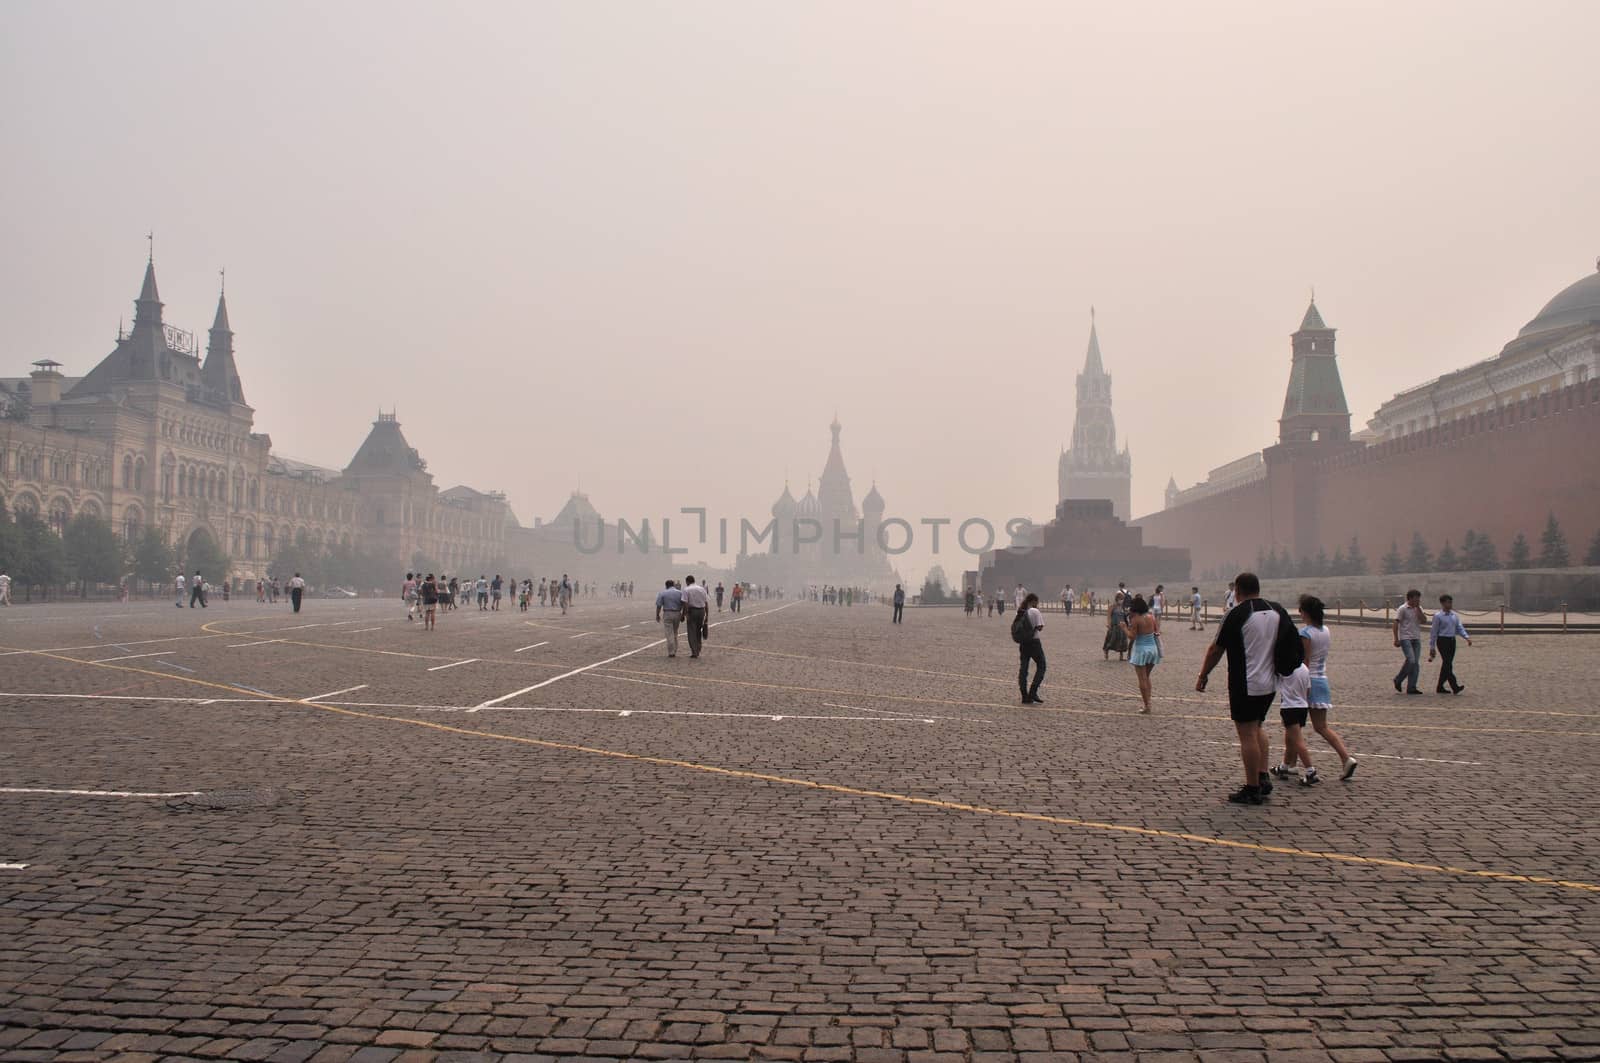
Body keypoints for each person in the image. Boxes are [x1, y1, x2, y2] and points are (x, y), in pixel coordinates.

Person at [1197, 571, 1298, 805]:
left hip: (1245, 681)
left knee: (1247, 734)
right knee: (1257, 726)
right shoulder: (1277, 610)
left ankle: (1252, 787)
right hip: (1271, 682)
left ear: (1238, 590)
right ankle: (1262, 776)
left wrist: (1203, 675)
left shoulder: (1237, 613)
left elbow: (1215, 649)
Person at [1287, 595, 1357, 780]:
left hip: (1309, 681)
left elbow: (1305, 660)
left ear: (1306, 612)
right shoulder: (1325, 630)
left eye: (1301, 610)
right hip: (1322, 679)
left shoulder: (1306, 633)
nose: (1300, 614)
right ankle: (1290, 764)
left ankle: (1343, 758)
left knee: (1295, 725)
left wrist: (1303, 684)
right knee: (1318, 727)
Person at [1123, 594, 1161, 714]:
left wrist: (1124, 628)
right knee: (1147, 677)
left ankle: (1147, 706)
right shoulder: (1151, 617)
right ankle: (1148, 701)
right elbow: (1156, 631)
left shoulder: (1136, 620)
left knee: (1142, 679)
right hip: (1153, 649)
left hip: (1141, 650)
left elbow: (1132, 637)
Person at [1429, 594, 1471, 694]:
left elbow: (1459, 628)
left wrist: (1466, 637)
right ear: (1443, 603)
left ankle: (1440, 687)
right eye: (1448, 602)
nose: (1450, 604)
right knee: (1447, 663)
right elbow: (1434, 632)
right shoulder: (1438, 616)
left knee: (1447, 665)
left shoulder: (1454, 615)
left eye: (1451, 602)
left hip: (1452, 640)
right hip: (1442, 641)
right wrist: (1432, 646)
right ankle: (1454, 686)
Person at [1392, 589, 1427, 695]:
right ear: (1410, 598)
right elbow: (1396, 623)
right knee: (1411, 660)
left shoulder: (1419, 608)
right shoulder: (1402, 609)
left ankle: (1411, 687)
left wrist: (1419, 611)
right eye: (1416, 598)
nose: (1418, 600)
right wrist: (1396, 638)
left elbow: (1424, 620)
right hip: (1405, 638)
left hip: (1416, 638)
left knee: (1415, 664)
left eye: (1419, 598)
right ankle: (1398, 679)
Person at [1014, 592, 1046, 704]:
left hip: (1023, 643)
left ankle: (1024, 695)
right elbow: (1040, 627)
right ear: (1033, 601)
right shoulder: (1034, 611)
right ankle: (1033, 691)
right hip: (1034, 642)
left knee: (1023, 669)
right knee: (1042, 665)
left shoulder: (1020, 612)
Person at [681, 575, 710, 658]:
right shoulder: (702, 589)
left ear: (687, 581)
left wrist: (684, 615)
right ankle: (698, 647)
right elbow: (706, 603)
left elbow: (685, 604)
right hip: (701, 611)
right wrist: (707, 615)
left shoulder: (686, 589)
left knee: (691, 632)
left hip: (692, 611)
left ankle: (694, 651)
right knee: (698, 631)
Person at [656, 578, 685, 657]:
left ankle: (671, 651)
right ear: (673, 585)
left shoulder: (662, 593)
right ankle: (675, 649)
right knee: (675, 632)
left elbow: (659, 605)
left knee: (669, 633)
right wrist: (683, 614)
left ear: (666, 586)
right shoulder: (680, 593)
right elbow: (684, 603)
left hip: (667, 613)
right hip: (677, 613)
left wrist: (657, 615)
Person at [1103, 592, 1131, 661]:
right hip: (1114, 626)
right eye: (1120, 599)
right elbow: (1109, 616)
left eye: (1122, 599)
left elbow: (1124, 616)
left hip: (1122, 627)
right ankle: (1106, 652)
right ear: (1117, 599)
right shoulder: (1112, 607)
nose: (1121, 601)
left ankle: (1121, 656)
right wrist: (1109, 624)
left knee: (1123, 641)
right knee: (1111, 640)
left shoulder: (1122, 607)